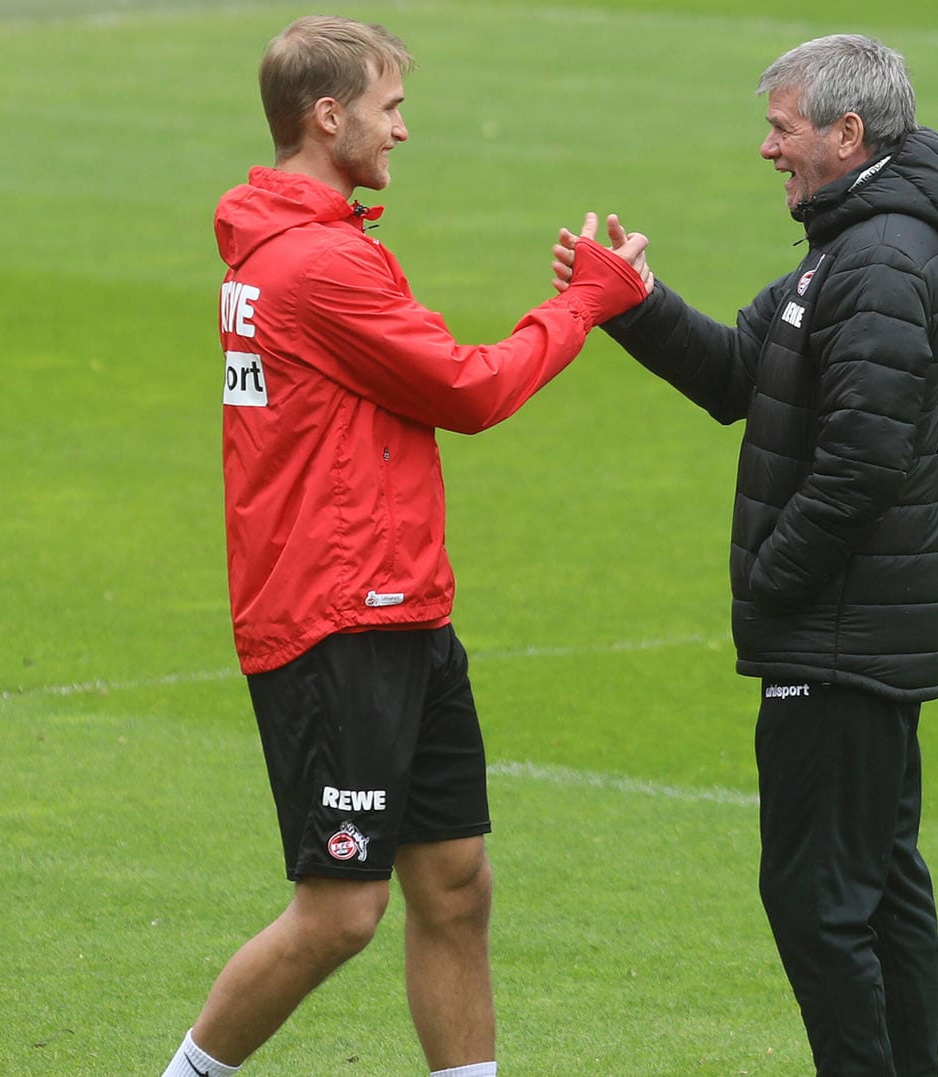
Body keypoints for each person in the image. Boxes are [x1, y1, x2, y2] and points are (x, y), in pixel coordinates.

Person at [163, 15, 651, 1077]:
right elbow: (470, 391)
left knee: (456, 883)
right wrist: (585, 305)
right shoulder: (319, 266)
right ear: (327, 116)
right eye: (390, 108)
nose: (404, 130)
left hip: (400, 604)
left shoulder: (295, 246)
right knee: (340, 914)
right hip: (337, 616)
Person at [553, 33, 938, 1077]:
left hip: (840, 633)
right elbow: (742, 371)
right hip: (857, 629)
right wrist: (634, 304)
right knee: (876, 882)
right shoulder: (856, 242)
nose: (767, 149)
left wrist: (773, 581)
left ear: (848, 134)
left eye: (782, 127)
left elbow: (861, 466)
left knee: (819, 897)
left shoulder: (878, 259)